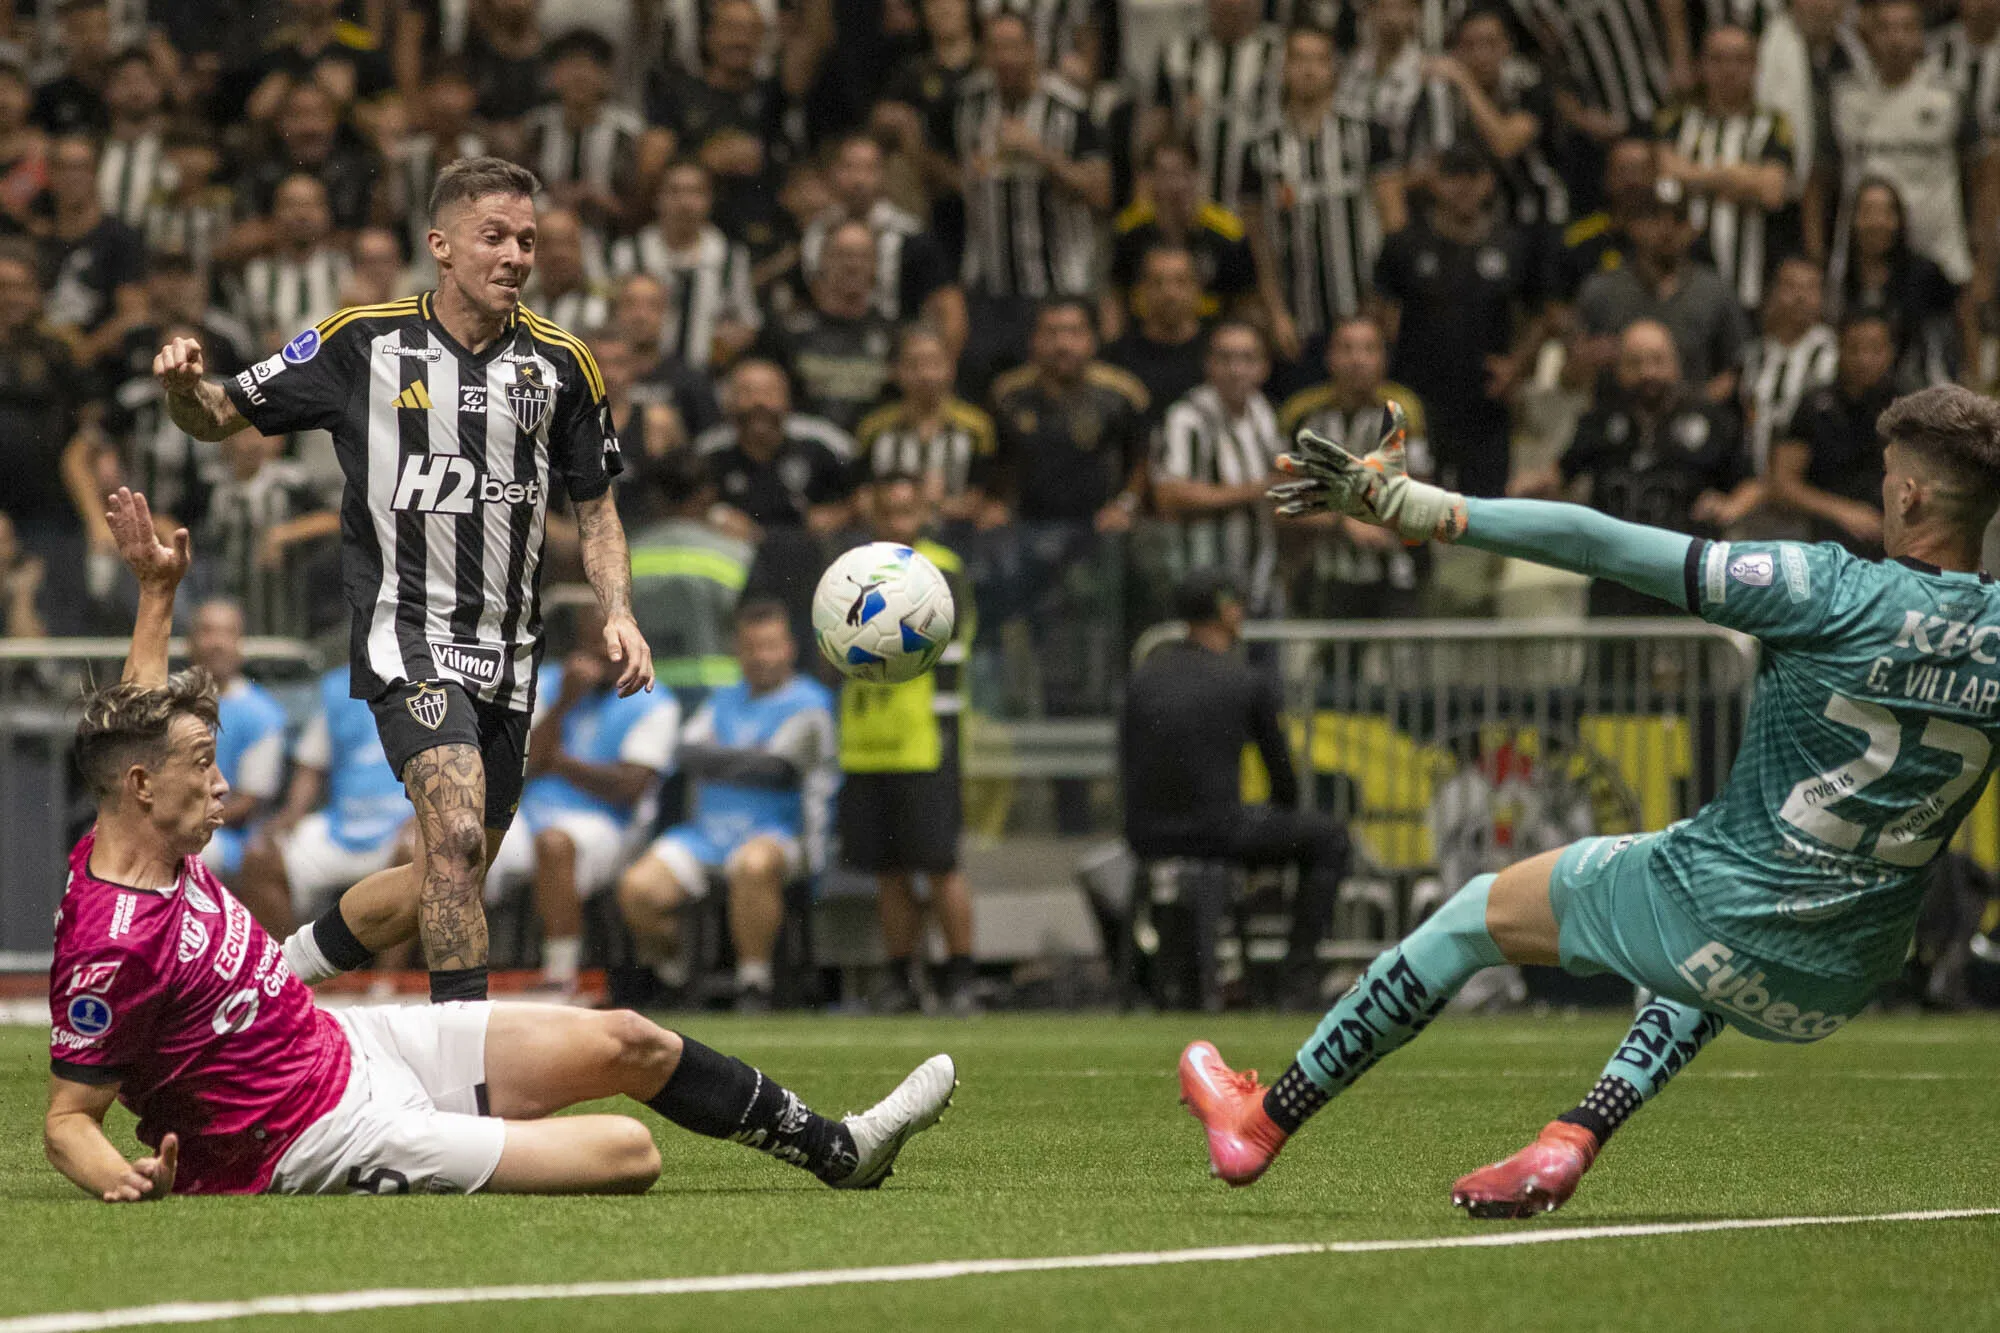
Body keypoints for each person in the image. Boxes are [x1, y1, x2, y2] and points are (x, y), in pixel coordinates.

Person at [1207, 380, 2000, 1217]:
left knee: (1472, 915)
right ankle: (1571, 1136)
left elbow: (1598, 541)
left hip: (1725, 900)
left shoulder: (1832, 588)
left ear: (1909, 490)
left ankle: (1258, 1121)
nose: (1882, 489)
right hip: (1851, 968)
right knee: (1701, 958)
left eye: (1886, 474)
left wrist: (1419, 506)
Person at [43, 487, 954, 1201]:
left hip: (346, 1042)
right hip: (308, 1136)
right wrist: (114, 1176)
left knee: (631, 1040)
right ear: (141, 790)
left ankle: (841, 1150)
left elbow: (141, 723)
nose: (223, 784)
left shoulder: (144, 819)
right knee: (627, 1151)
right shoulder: (110, 937)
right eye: (205, 768)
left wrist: (157, 592)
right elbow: (68, 1118)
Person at [152, 156, 657, 1008]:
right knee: (457, 833)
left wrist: (620, 613)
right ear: (442, 247)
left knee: (450, 866)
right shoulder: (364, 340)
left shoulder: (565, 365)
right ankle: (467, 1085)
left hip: (512, 653)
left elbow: (598, 509)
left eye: (527, 240)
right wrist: (179, 385)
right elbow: (216, 414)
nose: (515, 256)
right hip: (407, 634)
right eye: (493, 236)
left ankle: (264, 982)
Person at [1122, 569, 1349, 1008]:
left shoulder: (1143, 678)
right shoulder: (1244, 681)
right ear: (1226, 611)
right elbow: (1282, 778)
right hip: (1219, 831)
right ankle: (1297, 978)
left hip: (1146, 834)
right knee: (1329, 839)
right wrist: (1274, 821)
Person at [617, 600, 838, 1011]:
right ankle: (675, 976)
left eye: (770, 646)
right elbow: (685, 754)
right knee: (637, 889)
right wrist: (747, 759)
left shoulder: (812, 703)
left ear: (789, 648)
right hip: (707, 835)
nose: (761, 657)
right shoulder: (721, 699)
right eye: (752, 647)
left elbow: (778, 769)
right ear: (739, 650)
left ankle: (753, 984)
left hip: (778, 833)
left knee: (751, 866)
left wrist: (722, 758)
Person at [837, 476, 978, 1014]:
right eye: (888, 511)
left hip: (926, 739)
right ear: (873, 512)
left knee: (940, 864)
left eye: (907, 510)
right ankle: (901, 979)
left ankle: (960, 976)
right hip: (865, 742)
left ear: (924, 512)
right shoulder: (850, 570)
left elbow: (942, 637)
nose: (898, 522)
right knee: (888, 869)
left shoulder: (941, 569)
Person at [488, 605, 681, 996]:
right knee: (466, 838)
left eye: (608, 646)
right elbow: (521, 766)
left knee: (554, 843)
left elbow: (629, 786)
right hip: (531, 814)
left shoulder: (653, 699)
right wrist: (564, 703)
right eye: (591, 646)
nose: (600, 656)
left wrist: (560, 764)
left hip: (609, 823)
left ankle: (560, 974)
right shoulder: (553, 685)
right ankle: (456, 971)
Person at [1515, 320, 1760, 615]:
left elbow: (1753, 484)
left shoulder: (1714, 421)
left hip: (1688, 580)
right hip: (1616, 580)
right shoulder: (1599, 421)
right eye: (1636, 362)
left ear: (1676, 366)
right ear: (1619, 369)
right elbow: (1561, 474)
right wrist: (1530, 486)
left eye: (1658, 361)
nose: (1648, 373)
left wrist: (1730, 506)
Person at [1242, 25, 1401, 366]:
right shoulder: (1261, 146)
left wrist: (1388, 299)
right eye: (1299, 59)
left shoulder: (1366, 131)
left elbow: (1394, 220)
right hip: (1298, 315)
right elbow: (1259, 241)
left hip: (1363, 309)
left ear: (1334, 69)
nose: (1309, 69)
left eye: (1319, 59)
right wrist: (1276, 313)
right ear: (1283, 69)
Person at [234, 664, 412, 940]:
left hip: (407, 825)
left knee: (426, 853)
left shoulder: (426, 678)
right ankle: (294, 973)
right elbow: (311, 766)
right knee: (260, 856)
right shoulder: (338, 687)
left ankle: (386, 981)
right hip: (343, 824)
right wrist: (291, 815)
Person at [1275, 314, 1431, 617]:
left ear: (1384, 359)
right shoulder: (1301, 413)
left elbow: (1420, 496)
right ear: (1329, 357)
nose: (1357, 359)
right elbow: (1281, 501)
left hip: (1395, 572)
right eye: (1346, 348)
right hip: (1320, 574)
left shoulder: (1404, 411)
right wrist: (1343, 522)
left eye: (1368, 349)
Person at [1652, 25, 1794, 309]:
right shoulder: (1677, 120)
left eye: (1739, 60)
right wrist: (1734, 176)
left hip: (1751, 283)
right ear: (1701, 66)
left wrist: (1695, 177)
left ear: (1755, 67)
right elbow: (1665, 175)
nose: (1728, 69)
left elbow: (1772, 190)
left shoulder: (1773, 125)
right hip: (1682, 281)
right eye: (1717, 59)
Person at [1152, 322, 1286, 613]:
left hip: (1260, 580)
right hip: (1201, 589)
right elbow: (1168, 495)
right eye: (1225, 359)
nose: (1236, 369)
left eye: (1247, 359)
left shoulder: (1265, 414)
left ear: (1264, 367)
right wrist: (1256, 490)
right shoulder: (1187, 418)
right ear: (1209, 365)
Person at [1576, 182, 1750, 402]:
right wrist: (1588, 360)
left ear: (1692, 229)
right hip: (1615, 420)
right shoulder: (1602, 290)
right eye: (1654, 218)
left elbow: (1736, 369)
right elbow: (1572, 370)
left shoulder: (1716, 292)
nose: (1666, 229)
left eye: (1678, 219)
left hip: (1693, 422)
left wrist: (1697, 406)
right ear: (1633, 225)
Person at [1768, 313, 1898, 555]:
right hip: (1825, 534)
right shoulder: (1814, 406)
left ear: (1890, 352)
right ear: (1839, 350)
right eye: (1854, 349)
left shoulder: (1908, 408)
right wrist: (1843, 512)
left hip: (1894, 535)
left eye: (1874, 349)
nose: (1863, 360)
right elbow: (1782, 483)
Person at [1103, 137, 1256, 343]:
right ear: (1149, 179)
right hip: (1143, 338)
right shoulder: (1129, 229)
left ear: (1196, 175)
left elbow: (1245, 304)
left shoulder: (1227, 232)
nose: (1174, 185)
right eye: (1164, 174)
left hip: (1211, 339)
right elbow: (1115, 297)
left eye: (1182, 173)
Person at [186, 598, 287, 886]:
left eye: (227, 633)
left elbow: (248, 803)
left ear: (240, 643)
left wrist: (187, 823)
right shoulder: (167, 702)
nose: (216, 643)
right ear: (189, 641)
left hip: (226, 840)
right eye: (207, 631)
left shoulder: (261, 714)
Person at [853, 325, 996, 525]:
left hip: (957, 538)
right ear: (895, 370)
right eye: (914, 364)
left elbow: (979, 500)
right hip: (890, 539)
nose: (925, 375)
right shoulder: (874, 428)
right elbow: (864, 498)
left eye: (934, 363)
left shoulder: (976, 427)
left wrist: (931, 505)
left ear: (951, 367)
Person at [1740, 254, 1838, 487]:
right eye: (1791, 286)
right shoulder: (1755, 355)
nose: (1800, 297)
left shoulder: (1834, 353)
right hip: (1756, 478)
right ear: (1772, 293)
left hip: (1812, 483)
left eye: (1810, 288)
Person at [1101, 245, 1210, 427]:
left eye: (1180, 282)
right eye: (1157, 282)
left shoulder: (1219, 353)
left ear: (1197, 289)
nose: (1169, 293)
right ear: (1141, 290)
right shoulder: (1116, 358)